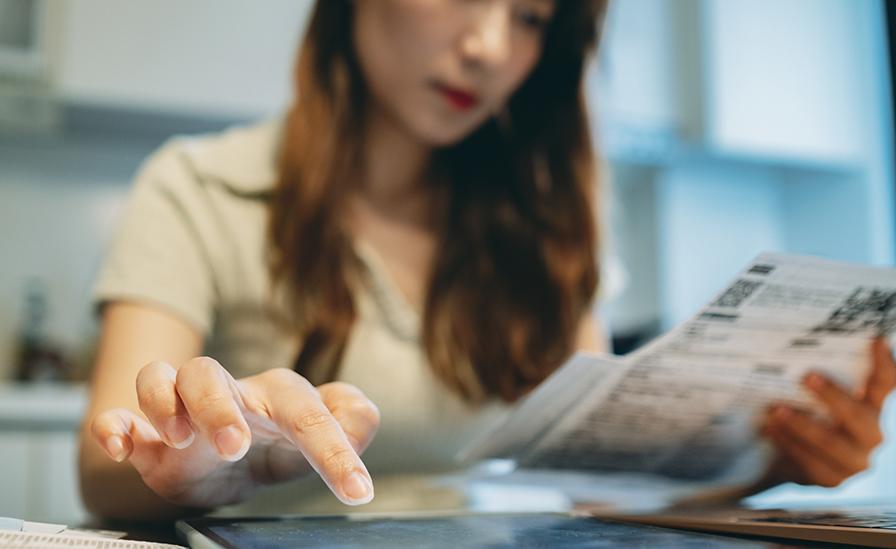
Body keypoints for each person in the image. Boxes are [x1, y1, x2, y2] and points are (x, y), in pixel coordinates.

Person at [79, 0, 896, 521]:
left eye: (534, 17)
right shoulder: (199, 187)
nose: (490, 44)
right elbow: (102, 464)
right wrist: (201, 462)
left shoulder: (543, 227)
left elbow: (593, 483)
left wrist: (768, 462)